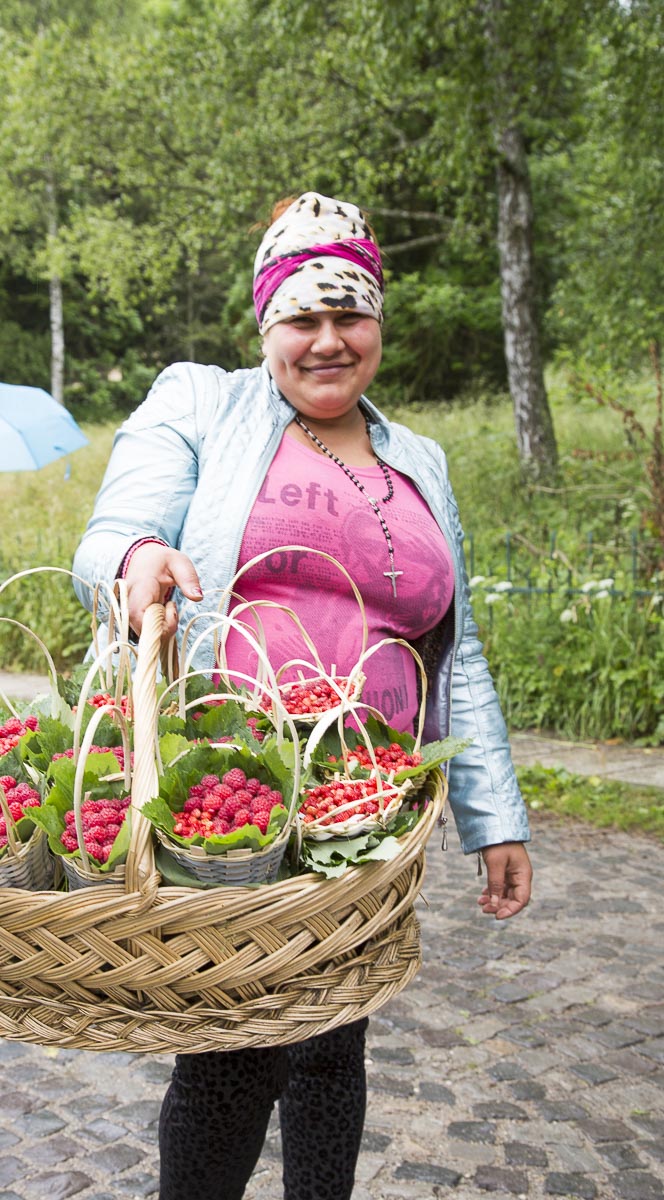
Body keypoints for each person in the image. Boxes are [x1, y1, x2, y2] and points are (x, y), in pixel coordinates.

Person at [73, 191, 533, 1200]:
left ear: (378, 323)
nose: (328, 341)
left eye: (350, 315)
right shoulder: (204, 403)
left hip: (369, 805)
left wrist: (491, 815)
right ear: (265, 323)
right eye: (302, 317)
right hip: (236, 791)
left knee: (334, 1045)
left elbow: (458, 646)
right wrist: (139, 555)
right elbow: (111, 534)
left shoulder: (422, 458)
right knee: (236, 1052)